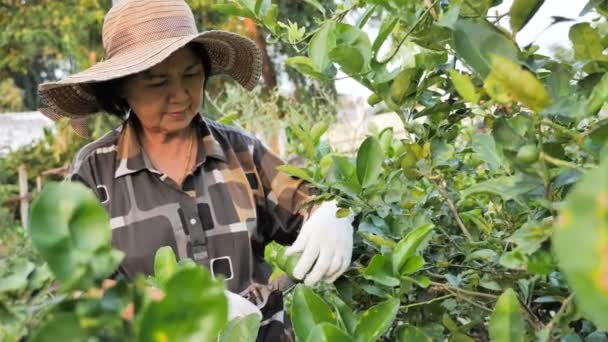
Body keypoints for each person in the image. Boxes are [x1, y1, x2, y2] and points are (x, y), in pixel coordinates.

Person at [37, 0, 354, 340]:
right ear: (122, 86)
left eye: (190, 74)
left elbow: (310, 204)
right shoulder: (94, 172)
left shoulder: (240, 152)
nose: (179, 95)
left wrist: (335, 213)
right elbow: (71, 290)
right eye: (157, 82)